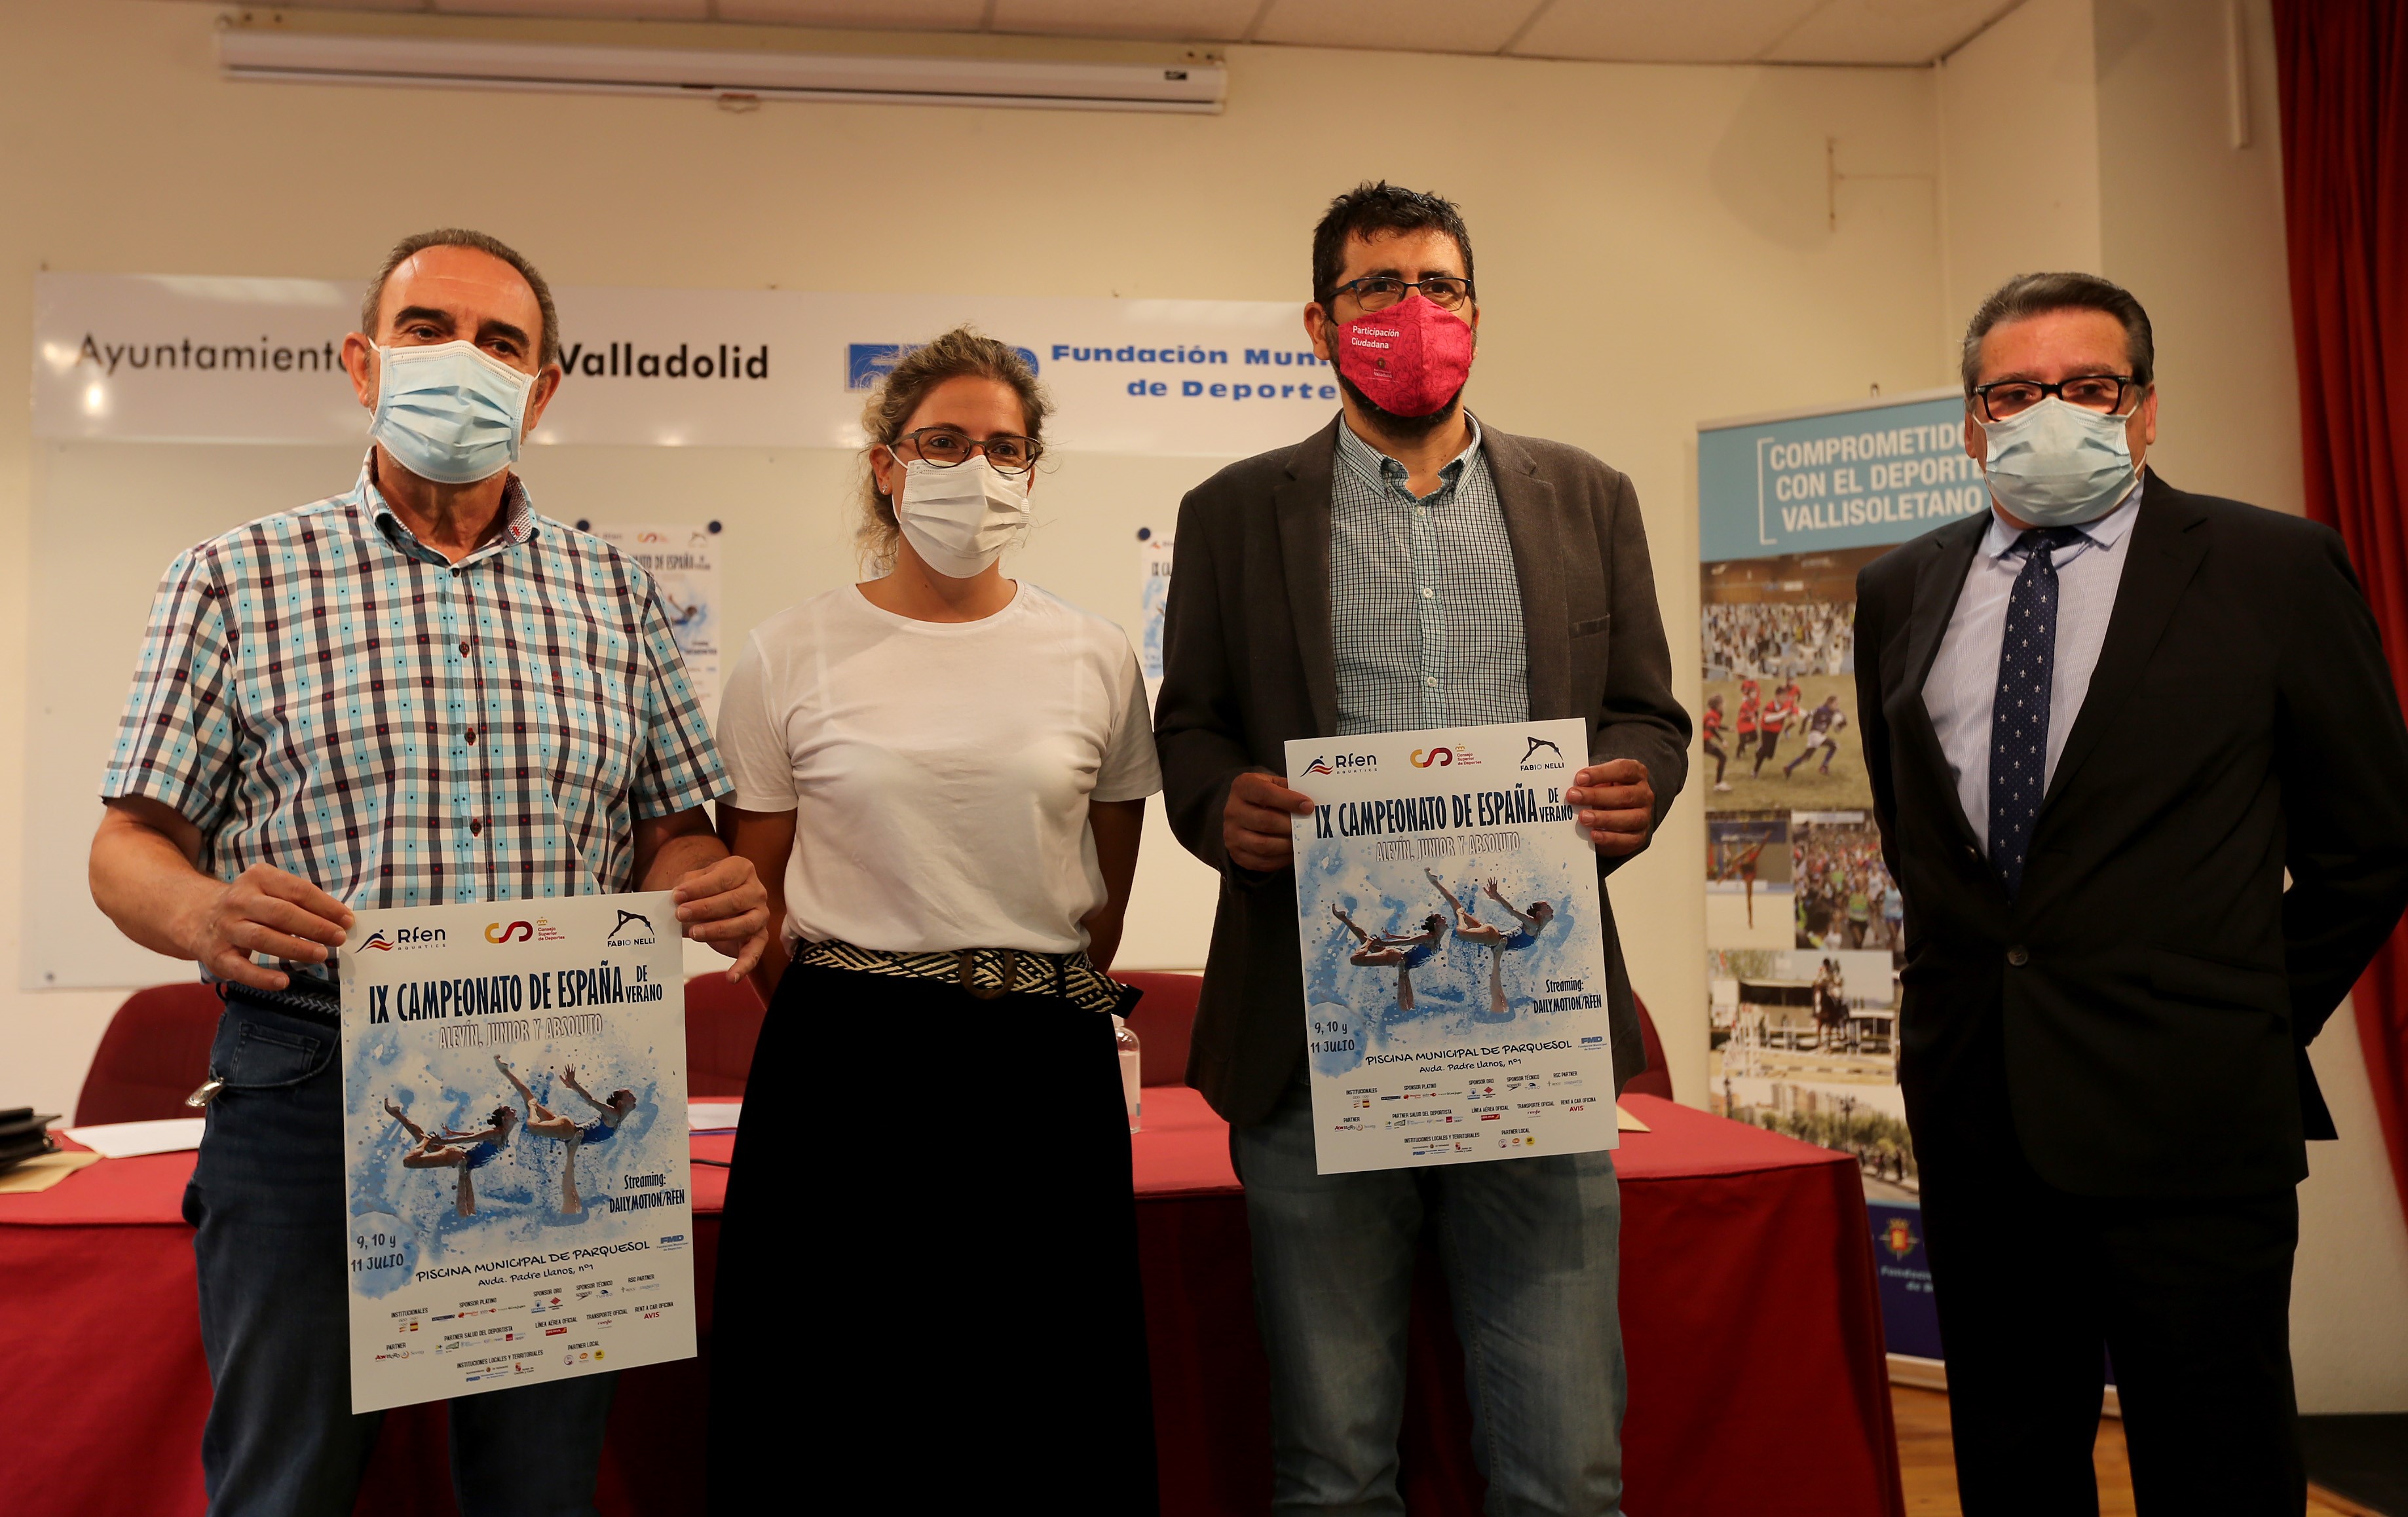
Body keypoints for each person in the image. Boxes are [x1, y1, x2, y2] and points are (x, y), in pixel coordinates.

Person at [86, 228, 770, 1517]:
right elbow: (127, 847)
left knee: (540, 1488)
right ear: (362, 362)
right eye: (427, 331)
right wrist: (205, 910)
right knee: (284, 1485)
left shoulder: (614, 594)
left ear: (545, 388)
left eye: (500, 342)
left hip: (557, 1074)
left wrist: (705, 875)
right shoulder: (235, 578)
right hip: (306, 1081)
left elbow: (668, 831)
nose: (462, 360)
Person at [1154, 181, 1689, 1516]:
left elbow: (1645, 712)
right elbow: (1191, 735)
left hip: (1533, 1028)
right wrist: (1223, 809)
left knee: (1564, 1468)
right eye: (1374, 289)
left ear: (1475, 312)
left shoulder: (1587, 497)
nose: (1410, 314)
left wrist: (1641, 784)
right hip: (1314, 1036)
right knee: (1333, 1467)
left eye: (1438, 288)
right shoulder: (1233, 511)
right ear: (1317, 322)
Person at [1856, 271, 2408, 1514]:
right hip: (1978, 1108)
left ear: (2144, 411)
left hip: (2193, 1118)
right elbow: (1919, 841)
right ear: (1971, 421)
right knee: (2010, 1455)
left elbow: (2369, 844)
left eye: (2088, 387)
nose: (2050, 412)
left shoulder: (2273, 569)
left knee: (2215, 1465)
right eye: (2014, 391)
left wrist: (2244, 1009)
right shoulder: (1900, 588)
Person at [709, 328, 1161, 1512]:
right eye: (945, 443)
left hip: (1040, 1060)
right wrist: (857, 997)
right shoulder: (786, 652)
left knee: (1044, 1405)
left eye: (1005, 448)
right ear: (886, 464)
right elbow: (757, 899)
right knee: (836, 1403)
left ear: (1032, 469)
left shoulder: (1096, 656)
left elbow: (1098, 894)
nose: (977, 469)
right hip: (844, 1059)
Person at [494, 1058, 635, 1214]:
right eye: (630, 1096)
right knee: (533, 1125)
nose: (634, 1098)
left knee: (528, 1098)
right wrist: (574, 1084)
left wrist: (573, 1088)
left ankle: (505, 1071)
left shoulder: (618, 1118)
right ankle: (532, 1109)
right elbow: (591, 1101)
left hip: (568, 1131)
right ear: (620, 1103)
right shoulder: (613, 1114)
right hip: (569, 1129)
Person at [385, 1097, 515, 1219]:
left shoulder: (502, 1135)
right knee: (409, 1162)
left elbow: (474, 1134)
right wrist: (442, 1142)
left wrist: (454, 1133)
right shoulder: (496, 1133)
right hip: (458, 1156)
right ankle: (425, 1140)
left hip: (464, 1159)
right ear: (504, 1118)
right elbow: (469, 1139)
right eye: (510, 1110)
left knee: (470, 1211)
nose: (514, 1111)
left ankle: (397, 1114)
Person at [1333, 904, 1446, 1014]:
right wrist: (1384, 943)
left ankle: (1343, 918)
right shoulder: (1429, 938)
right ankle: (1369, 942)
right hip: (1396, 957)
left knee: (1409, 1003)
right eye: (1441, 918)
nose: (1445, 918)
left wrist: (1393, 936)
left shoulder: (1435, 940)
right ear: (1436, 924)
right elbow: (1407, 942)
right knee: (1355, 960)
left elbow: (1409, 938)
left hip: (1402, 960)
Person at [1784, 694, 1848, 777]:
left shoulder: (1836, 712)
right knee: (1835, 745)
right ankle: (1824, 766)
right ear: (1829, 704)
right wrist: (1803, 728)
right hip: (1815, 735)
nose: (1837, 706)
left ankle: (1789, 768)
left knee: (1806, 756)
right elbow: (1807, 716)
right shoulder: (1820, 710)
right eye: (1836, 704)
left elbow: (1839, 727)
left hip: (1819, 736)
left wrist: (1842, 724)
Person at [1703, 692, 1732, 791]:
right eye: (1722, 704)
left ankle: (1718, 783)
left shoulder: (1714, 714)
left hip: (1704, 742)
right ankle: (1718, 784)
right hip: (1703, 742)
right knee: (1722, 757)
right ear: (1718, 705)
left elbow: (1716, 726)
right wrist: (1723, 740)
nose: (1724, 706)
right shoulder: (1712, 715)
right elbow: (1712, 728)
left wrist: (1728, 728)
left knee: (1722, 757)